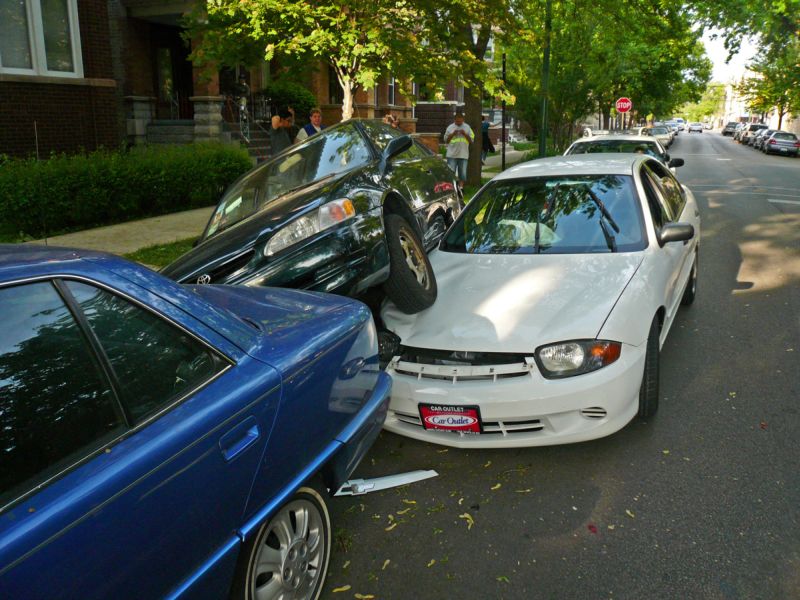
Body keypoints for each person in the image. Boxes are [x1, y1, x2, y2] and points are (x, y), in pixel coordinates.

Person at [444, 112, 474, 187]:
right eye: (457, 121)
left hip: (463, 154)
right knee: (451, 173)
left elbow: (471, 141)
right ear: (454, 120)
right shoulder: (450, 127)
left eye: (460, 121)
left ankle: (461, 188)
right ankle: (452, 188)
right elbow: (446, 141)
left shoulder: (467, 127)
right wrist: (452, 134)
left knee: (462, 174)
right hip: (452, 155)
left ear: (463, 119)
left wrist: (465, 134)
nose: (459, 123)